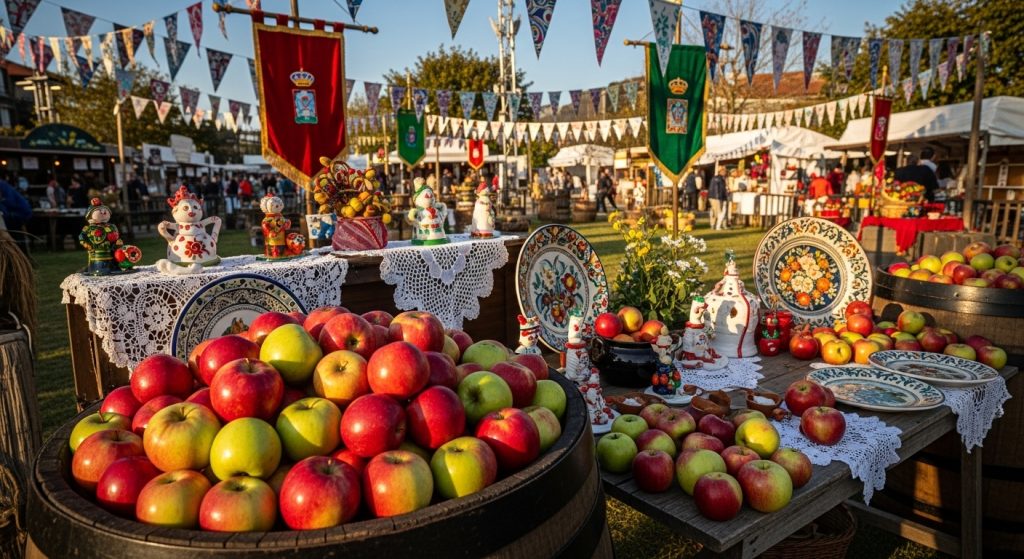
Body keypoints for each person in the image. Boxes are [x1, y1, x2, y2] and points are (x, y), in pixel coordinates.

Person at [0, 173, 32, 253]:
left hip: (20, 214)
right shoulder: (4, 186)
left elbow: (10, 203)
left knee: (13, 236)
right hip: (19, 213)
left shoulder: (3, 187)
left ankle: (18, 256)